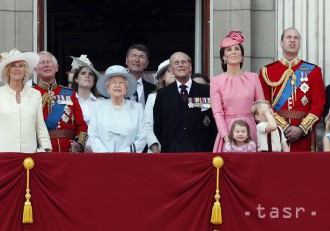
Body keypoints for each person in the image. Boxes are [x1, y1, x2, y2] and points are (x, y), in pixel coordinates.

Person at [259, 28, 325, 151]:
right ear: (281, 43)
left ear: (300, 43)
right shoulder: (267, 72)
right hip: (275, 134)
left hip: (304, 136)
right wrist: (282, 127)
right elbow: (264, 105)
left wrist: (301, 129)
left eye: (296, 38)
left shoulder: (314, 71)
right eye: (289, 37)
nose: (292, 40)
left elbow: (318, 105)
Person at [210, 31, 265, 152]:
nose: (233, 51)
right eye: (229, 50)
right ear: (223, 57)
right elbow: (218, 113)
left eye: (237, 49)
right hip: (228, 130)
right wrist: (226, 138)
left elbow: (262, 108)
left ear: (242, 56)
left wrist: (265, 134)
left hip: (251, 130)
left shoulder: (254, 77)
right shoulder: (216, 81)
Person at [153, 52, 216, 153]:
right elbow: (157, 126)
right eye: (176, 63)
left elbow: (213, 120)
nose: (180, 65)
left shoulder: (206, 91)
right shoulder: (162, 94)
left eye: (183, 62)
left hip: (201, 150)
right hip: (171, 151)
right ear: (172, 69)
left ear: (190, 67)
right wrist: (169, 143)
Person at [34, 51, 88, 153]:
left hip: (68, 151)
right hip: (41, 150)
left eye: (49, 62)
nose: (46, 65)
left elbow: (81, 124)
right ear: (35, 69)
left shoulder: (69, 94)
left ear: (56, 67)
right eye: (42, 62)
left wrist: (80, 144)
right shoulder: (31, 93)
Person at [0, 49, 52, 152]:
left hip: (29, 157)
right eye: (13, 66)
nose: (17, 69)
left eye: (21, 66)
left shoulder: (35, 94)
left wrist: (46, 147)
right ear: (7, 72)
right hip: (4, 155)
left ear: (25, 71)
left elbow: (40, 124)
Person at [88, 65, 146, 152]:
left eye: (121, 83)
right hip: (103, 159)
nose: (117, 85)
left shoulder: (137, 108)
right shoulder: (97, 106)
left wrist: (124, 154)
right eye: (113, 82)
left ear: (126, 88)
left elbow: (142, 137)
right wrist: (106, 155)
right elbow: (93, 135)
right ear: (107, 87)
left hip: (129, 159)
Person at [144, 59, 175, 153]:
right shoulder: (153, 97)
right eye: (169, 71)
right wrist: (155, 148)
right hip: (158, 151)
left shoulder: (187, 95)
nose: (173, 74)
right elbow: (148, 125)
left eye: (175, 71)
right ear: (163, 77)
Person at [70, 54, 101, 125]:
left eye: (91, 74)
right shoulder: (68, 101)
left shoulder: (101, 103)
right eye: (83, 73)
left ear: (94, 80)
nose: (87, 76)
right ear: (76, 79)